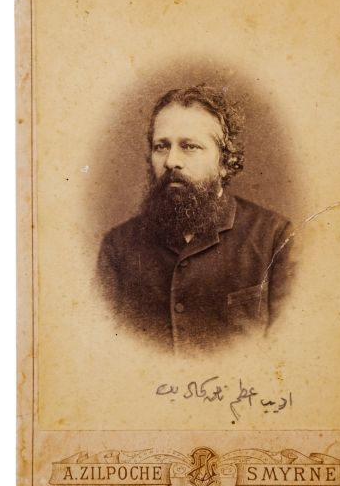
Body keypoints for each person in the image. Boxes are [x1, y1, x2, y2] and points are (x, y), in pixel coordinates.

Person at [98, 85, 295, 352]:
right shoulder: (117, 247)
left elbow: (286, 352)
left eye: (189, 146)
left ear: (225, 162)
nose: (171, 161)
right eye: (161, 146)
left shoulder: (274, 238)